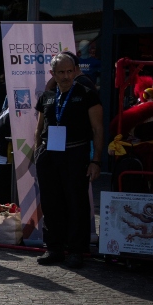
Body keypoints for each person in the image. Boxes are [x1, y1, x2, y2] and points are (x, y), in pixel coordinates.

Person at [34, 54, 104, 268]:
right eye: (61, 72)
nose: (65, 76)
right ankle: (53, 248)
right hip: (48, 156)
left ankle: (75, 250)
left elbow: (97, 130)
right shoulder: (47, 97)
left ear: (75, 71)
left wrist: (96, 161)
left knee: (76, 203)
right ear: (52, 73)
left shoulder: (87, 95)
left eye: (69, 71)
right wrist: (37, 152)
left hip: (75, 155)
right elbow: (39, 128)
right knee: (50, 203)